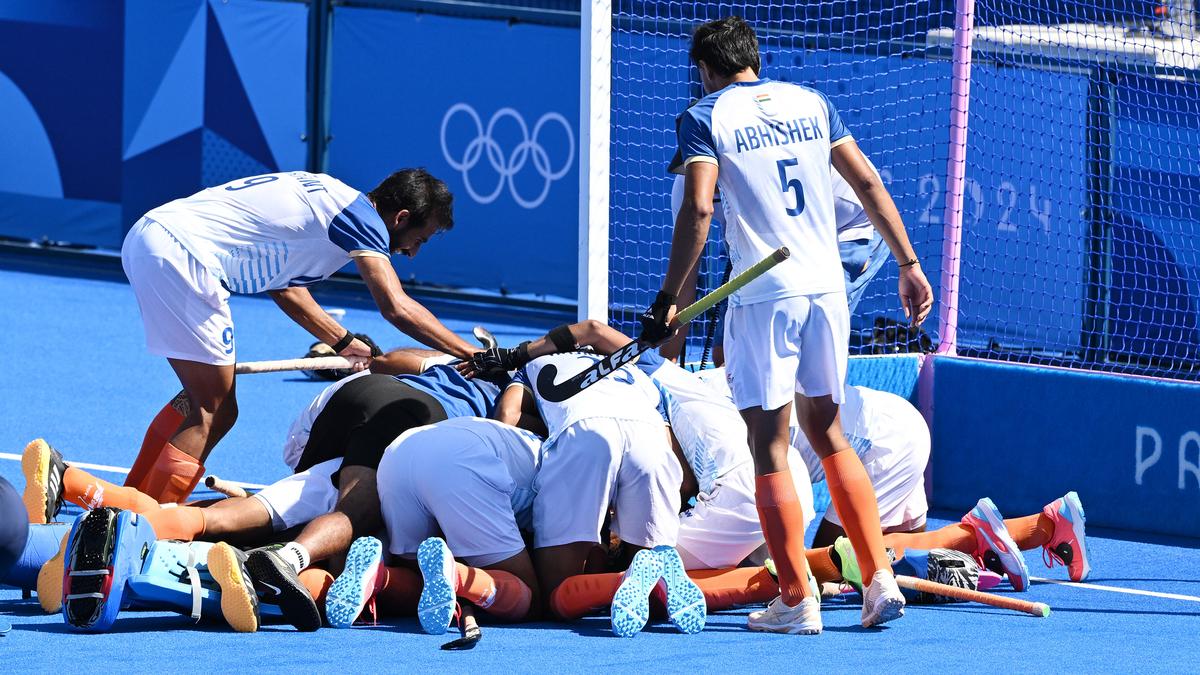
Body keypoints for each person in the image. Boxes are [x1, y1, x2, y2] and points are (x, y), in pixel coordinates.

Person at [639, 16, 934, 633]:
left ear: (705, 70)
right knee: (828, 434)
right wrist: (908, 262)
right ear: (754, 57)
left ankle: (797, 598)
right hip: (827, 287)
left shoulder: (705, 116)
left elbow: (698, 207)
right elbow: (869, 180)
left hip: (764, 294)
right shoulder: (813, 102)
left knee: (769, 446)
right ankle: (878, 580)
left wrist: (669, 296)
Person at [119, 168, 481, 506]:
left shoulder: (334, 198)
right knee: (214, 411)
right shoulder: (361, 219)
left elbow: (286, 289)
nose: (413, 253)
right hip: (185, 258)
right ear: (400, 218)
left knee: (199, 399)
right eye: (419, 239)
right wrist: (472, 353)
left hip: (153, 237)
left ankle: (126, 502)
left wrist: (342, 341)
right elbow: (396, 307)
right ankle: (149, 522)